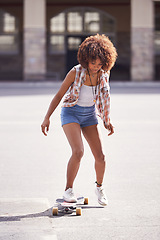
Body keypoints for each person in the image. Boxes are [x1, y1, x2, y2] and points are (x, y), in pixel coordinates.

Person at [41, 34, 117, 206]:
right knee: (78, 152)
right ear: (85, 59)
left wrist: (107, 120)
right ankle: (68, 189)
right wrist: (47, 118)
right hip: (71, 113)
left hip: (89, 115)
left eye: (100, 64)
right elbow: (59, 95)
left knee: (101, 156)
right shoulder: (75, 72)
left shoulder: (104, 73)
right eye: (93, 63)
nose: (96, 67)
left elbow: (105, 98)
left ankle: (99, 187)